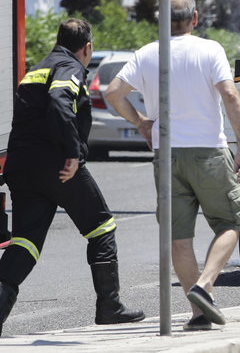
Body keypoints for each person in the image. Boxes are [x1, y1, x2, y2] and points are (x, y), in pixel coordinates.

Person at [106, 0, 240, 332]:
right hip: (208, 152)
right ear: (195, 18)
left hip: (167, 154)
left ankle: (198, 315)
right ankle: (204, 286)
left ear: (162, 20)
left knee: (177, 237)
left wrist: (141, 121)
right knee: (232, 222)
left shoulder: (147, 53)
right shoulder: (210, 49)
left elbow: (113, 93)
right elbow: (230, 94)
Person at [0, 19, 144, 336]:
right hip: (57, 165)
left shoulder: (37, 68)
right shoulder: (70, 67)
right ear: (87, 48)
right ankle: (109, 306)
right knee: (101, 225)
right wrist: (73, 154)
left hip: (21, 167)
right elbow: (58, 101)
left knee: (26, 242)